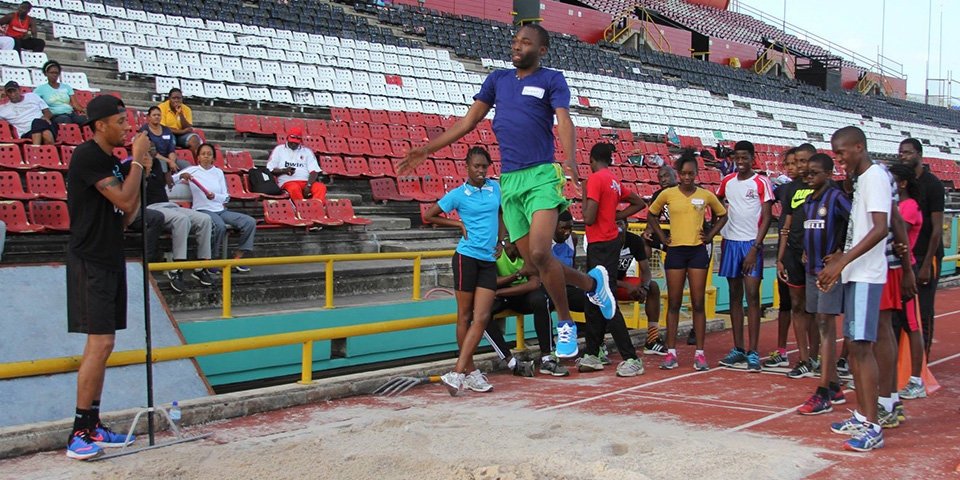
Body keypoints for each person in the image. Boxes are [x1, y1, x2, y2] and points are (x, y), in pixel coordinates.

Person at [398, 23, 617, 361]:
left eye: (525, 42)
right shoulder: (497, 80)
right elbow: (468, 121)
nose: (517, 46)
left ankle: (565, 323)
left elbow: (564, 120)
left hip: (542, 175)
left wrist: (571, 158)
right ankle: (592, 285)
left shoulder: (551, 79)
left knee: (542, 253)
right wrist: (429, 148)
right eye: (515, 41)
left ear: (541, 51)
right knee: (535, 264)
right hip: (511, 182)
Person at [64, 95, 150, 459]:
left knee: (107, 344)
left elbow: (126, 214)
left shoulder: (111, 160)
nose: (127, 127)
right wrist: (138, 162)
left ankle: (93, 424)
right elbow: (125, 201)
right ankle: (78, 433)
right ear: (100, 125)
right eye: (120, 122)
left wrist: (138, 170)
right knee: (98, 344)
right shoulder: (87, 156)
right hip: (91, 259)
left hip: (111, 255)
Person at [817, 126, 888, 452]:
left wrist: (843, 260)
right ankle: (862, 416)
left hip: (866, 275)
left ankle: (873, 426)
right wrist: (841, 256)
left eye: (842, 152)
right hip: (856, 273)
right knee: (856, 347)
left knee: (861, 348)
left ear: (859, 147)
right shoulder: (863, 180)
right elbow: (862, 229)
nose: (839, 159)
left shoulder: (874, 177)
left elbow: (880, 229)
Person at [422, 147, 502, 395]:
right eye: (476, 166)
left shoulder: (496, 188)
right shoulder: (458, 194)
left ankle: (456, 374)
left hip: (488, 259)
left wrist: (502, 240)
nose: (481, 171)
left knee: (482, 316)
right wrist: (457, 223)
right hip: (466, 258)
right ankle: (470, 372)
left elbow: (500, 213)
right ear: (466, 167)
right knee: (465, 316)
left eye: (484, 166)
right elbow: (429, 215)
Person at [647, 149, 727, 371]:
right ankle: (671, 353)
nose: (687, 177)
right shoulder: (668, 194)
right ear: (678, 174)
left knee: (698, 303)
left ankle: (700, 354)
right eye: (683, 174)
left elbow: (723, 214)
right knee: (673, 303)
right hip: (675, 252)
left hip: (697, 252)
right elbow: (651, 214)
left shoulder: (705, 195)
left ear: (697, 173)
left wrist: (710, 235)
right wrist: (662, 237)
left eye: (691, 173)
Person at [576, 142, 646, 376]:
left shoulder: (595, 180)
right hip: (609, 241)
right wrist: (617, 216)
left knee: (606, 299)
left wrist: (584, 194)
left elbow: (588, 218)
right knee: (593, 299)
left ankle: (631, 358)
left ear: (591, 160)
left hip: (600, 244)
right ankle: (593, 353)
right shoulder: (614, 180)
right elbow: (639, 202)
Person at [795, 153, 850, 415]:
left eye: (814, 173)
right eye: (806, 172)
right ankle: (835, 386)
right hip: (811, 271)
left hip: (828, 273)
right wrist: (807, 250)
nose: (808, 176)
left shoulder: (836, 198)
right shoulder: (808, 201)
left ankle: (823, 391)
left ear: (828, 174)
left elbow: (854, 222)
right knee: (819, 323)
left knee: (826, 327)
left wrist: (841, 253)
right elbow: (812, 230)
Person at [119, 141, 213, 292]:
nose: (151, 151)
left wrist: (168, 170)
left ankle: (202, 266)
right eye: (148, 149)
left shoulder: (157, 163)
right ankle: (177, 269)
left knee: (205, 219)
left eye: (153, 148)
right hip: (150, 208)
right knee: (181, 219)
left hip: (167, 204)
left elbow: (169, 182)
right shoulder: (130, 164)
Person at [715, 141, 774, 373]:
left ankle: (754, 351)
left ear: (752, 158)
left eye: (744, 158)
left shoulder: (762, 182)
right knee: (734, 296)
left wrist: (756, 247)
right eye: (737, 158)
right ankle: (738, 348)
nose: (740, 162)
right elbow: (718, 202)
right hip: (730, 242)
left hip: (751, 244)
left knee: (753, 296)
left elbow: (767, 216)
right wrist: (719, 223)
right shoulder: (727, 181)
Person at [484, 239, 567, 376]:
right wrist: (518, 274)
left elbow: (533, 284)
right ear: (513, 244)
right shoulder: (496, 252)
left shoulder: (529, 255)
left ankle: (547, 357)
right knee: (482, 314)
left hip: (518, 293)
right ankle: (512, 363)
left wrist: (500, 291)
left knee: (541, 300)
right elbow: (491, 282)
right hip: (502, 294)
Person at [898, 138, 943, 358]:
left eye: (907, 152)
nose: (903, 156)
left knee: (924, 310)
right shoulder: (902, 184)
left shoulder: (933, 184)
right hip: (906, 256)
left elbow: (937, 228)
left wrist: (926, 265)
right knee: (903, 312)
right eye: (901, 153)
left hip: (926, 254)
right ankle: (905, 359)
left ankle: (923, 360)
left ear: (919, 154)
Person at [178, 144, 256, 270]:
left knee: (249, 222)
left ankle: (239, 257)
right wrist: (181, 176)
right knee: (219, 226)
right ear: (198, 157)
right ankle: (210, 259)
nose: (206, 157)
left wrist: (214, 196)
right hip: (202, 210)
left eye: (209, 154)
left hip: (220, 210)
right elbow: (172, 180)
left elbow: (226, 197)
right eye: (203, 154)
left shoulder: (218, 172)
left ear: (213, 158)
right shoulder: (192, 170)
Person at [643, 165, 697, 347]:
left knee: (694, 286)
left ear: (675, 176)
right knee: (643, 240)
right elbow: (652, 217)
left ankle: (695, 329)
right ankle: (645, 279)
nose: (663, 179)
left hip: (691, 239)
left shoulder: (687, 192)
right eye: (660, 177)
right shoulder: (659, 195)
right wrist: (649, 231)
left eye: (666, 176)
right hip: (670, 237)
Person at [888, 163, 927, 400]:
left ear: (902, 183)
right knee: (890, 325)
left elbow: (898, 235)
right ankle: (889, 378)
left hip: (905, 269)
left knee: (911, 324)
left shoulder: (909, 206)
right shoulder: (895, 205)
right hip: (891, 269)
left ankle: (916, 380)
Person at [612, 218, 665, 355]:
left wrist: (644, 288)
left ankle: (652, 340)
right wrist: (627, 286)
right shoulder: (604, 241)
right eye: (613, 223)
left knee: (653, 286)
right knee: (601, 293)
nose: (616, 227)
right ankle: (601, 344)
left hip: (621, 283)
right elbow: (602, 276)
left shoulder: (634, 240)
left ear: (626, 225)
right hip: (605, 284)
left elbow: (646, 271)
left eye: (619, 223)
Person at [766, 148, 797, 369]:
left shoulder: (819, 189)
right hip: (786, 253)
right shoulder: (785, 190)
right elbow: (765, 201)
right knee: (785, 303)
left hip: (809, 255)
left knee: (810, 308)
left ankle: (813, 355)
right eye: (790, 164)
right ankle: (782, 350)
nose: (794, 167)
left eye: (798, 162)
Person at [266, 126, 326, 203]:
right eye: (292, 142)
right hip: (287, 182)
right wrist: (284, 171)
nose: (294, 144)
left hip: (305, 182)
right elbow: (270, 169)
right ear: (287, 138)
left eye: (296, 143)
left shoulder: (307, 151)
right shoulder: (279, 149)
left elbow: (314, 171)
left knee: (321, 187)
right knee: (294, 188)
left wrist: (308, 185)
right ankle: (301, 208)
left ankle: (316, 208)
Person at [0, 80, 57, 145]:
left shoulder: (32, 96)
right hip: (27, 133)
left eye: (14, 91)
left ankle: (35, 149)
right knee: (46, 133)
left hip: (44, 124)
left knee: (38, 122)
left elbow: (48, 112)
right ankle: (39, 149)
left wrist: (45, 117)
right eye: (10, 92)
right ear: (6, 94)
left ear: (19, 90)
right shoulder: (3, 109)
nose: (13, 94)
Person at [33, 60, 86, 125]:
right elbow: (33, 100)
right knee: (65, 119)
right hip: (56, 116)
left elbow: (75, 104)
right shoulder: (41, 89)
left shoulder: (67, 87)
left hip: (71, 113)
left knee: (84, 119)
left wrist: (84, 110)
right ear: (46, 73)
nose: (54, 75)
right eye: (52, 73)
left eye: (56, 73)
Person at [158, 88, 201, 159]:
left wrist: (180, 113)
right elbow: (163, 128)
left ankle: (193, 162)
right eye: (174, 98)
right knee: (169, 141)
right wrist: (182, 131)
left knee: (194, 140)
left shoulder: (186, 109)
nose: (176, 100)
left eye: (179, 98)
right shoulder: (161, 108)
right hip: (168, 133)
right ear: (169, 98)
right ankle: (170, 163)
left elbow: (188, 127)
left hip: (182, 136)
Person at [139, 106, 182, 173]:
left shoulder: (166, 130)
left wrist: (172, 161)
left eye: (159, 115)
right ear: (149, 117)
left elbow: (171, 150)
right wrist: (169, 161)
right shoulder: (144, 130)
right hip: (153, 158)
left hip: (168, 158)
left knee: (185, 164)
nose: (157, 117)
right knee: (162, 165)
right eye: (154, 115)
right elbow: (151, 152)